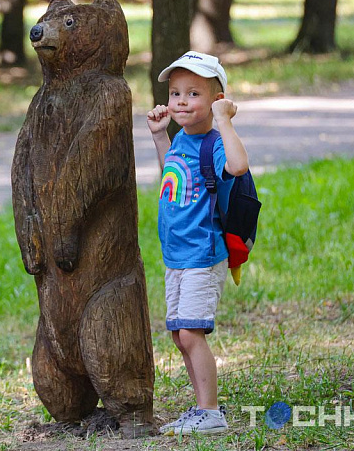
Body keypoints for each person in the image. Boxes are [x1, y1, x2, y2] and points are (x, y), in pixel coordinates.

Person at [147, 51, 249, 435]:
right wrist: (160, 137)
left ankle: (211, 412)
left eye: (194, 94)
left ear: (216, 100)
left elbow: (238, 167)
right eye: (175, 94)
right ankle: (201, 408)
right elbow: (172, 180)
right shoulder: (182, 142)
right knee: (179, 333)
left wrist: (224, 122)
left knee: (191, 332)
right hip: (177, 256)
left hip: (202, 255)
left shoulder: (213, 142)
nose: (181, 102)